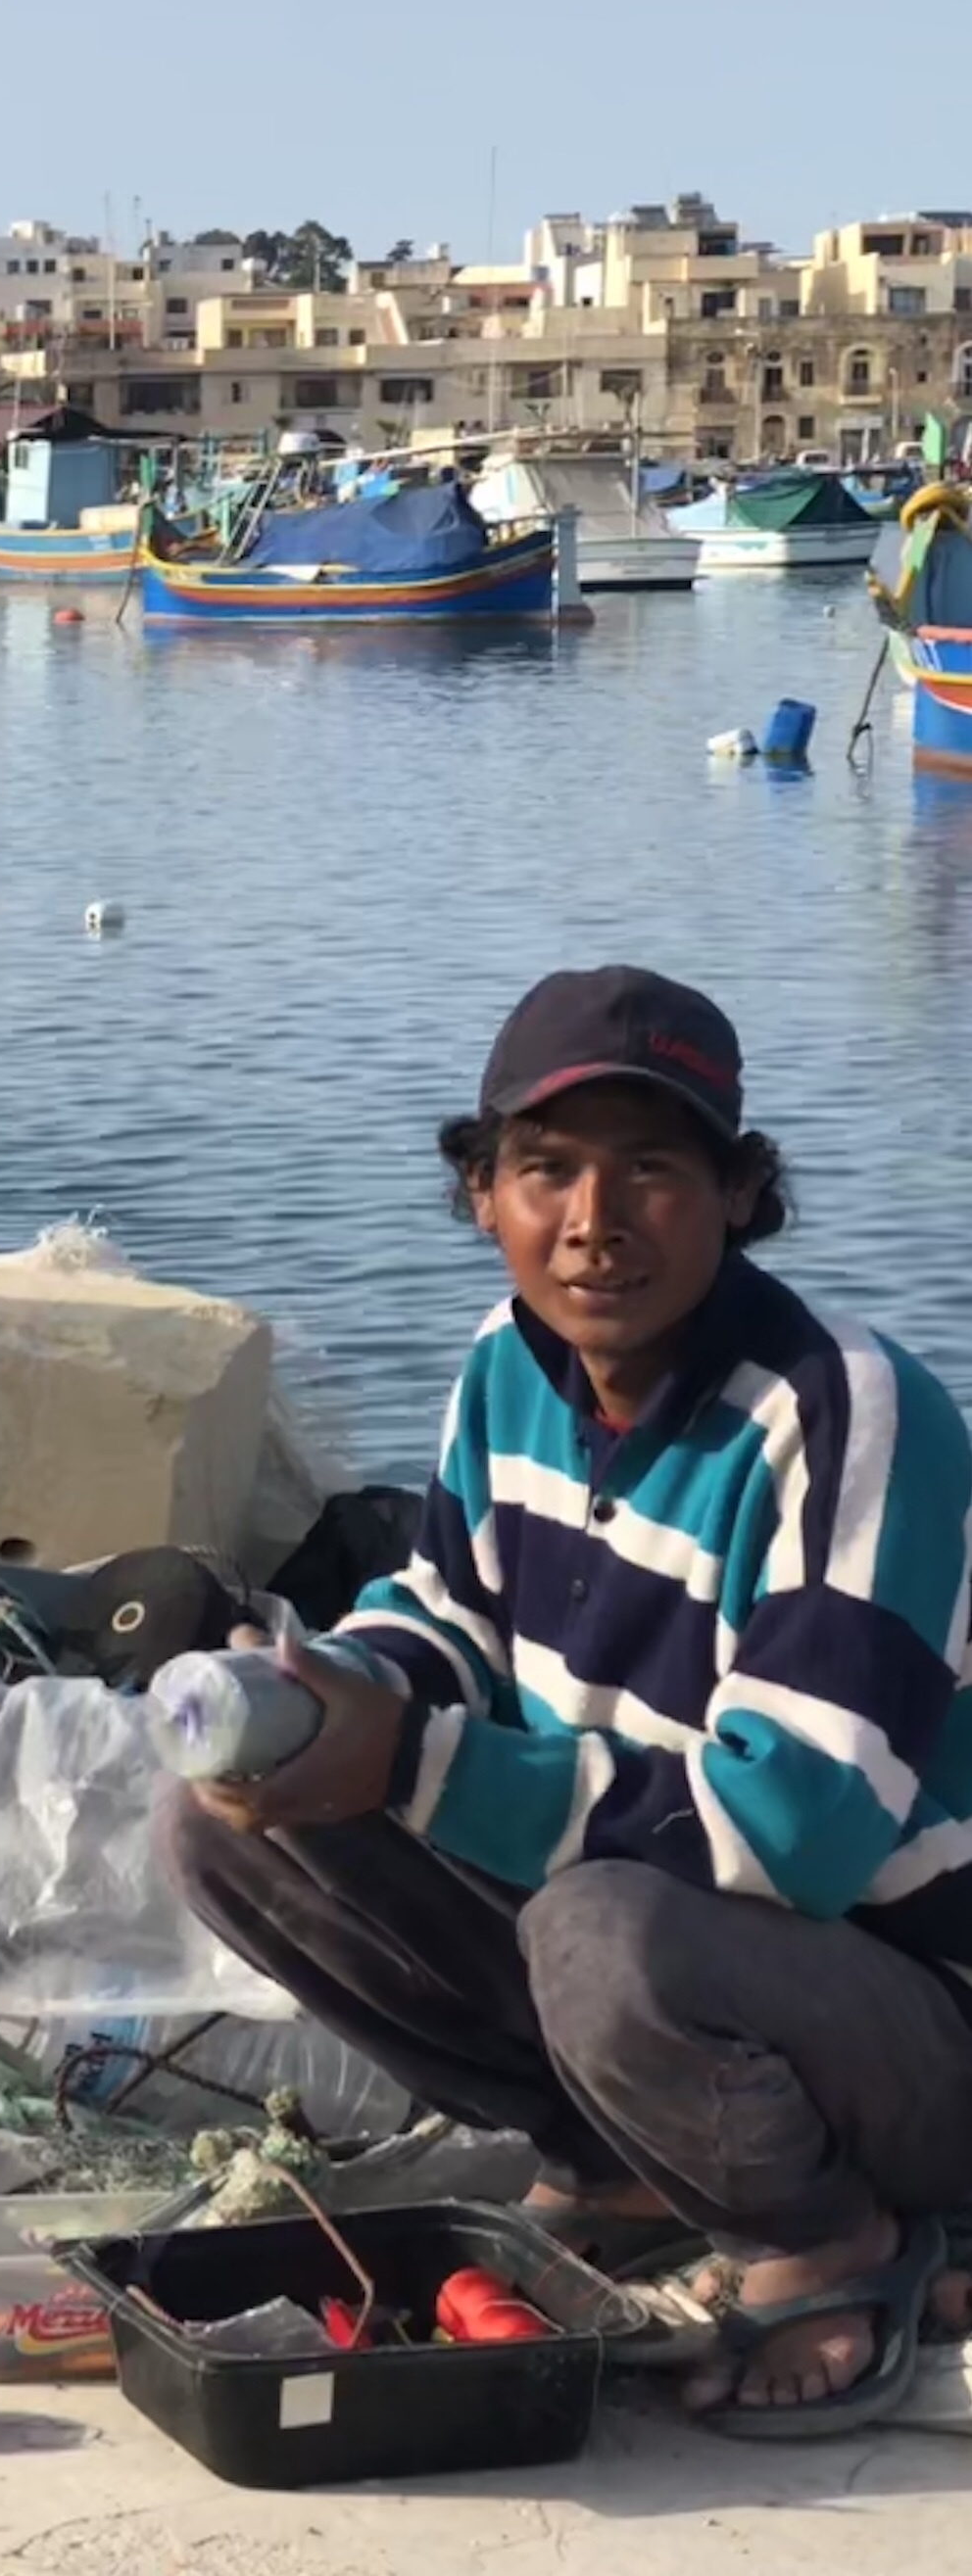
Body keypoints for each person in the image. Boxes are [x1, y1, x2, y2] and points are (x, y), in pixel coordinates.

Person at [169, 968, 972, 2435]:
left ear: (738, 1193)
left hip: (913, 2016)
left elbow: (789, 1837)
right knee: (225, 1826)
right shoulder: (504, 1369)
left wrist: (405, 1761)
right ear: (481, 1191)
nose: (592, 1221)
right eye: (546, 1169)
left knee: (597, 1927)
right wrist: (329, 1696)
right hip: (700, 1969)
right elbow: (448, 1620)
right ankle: (604, 2157)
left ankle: (830, 2235)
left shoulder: (845, 1416)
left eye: (652, 1169)